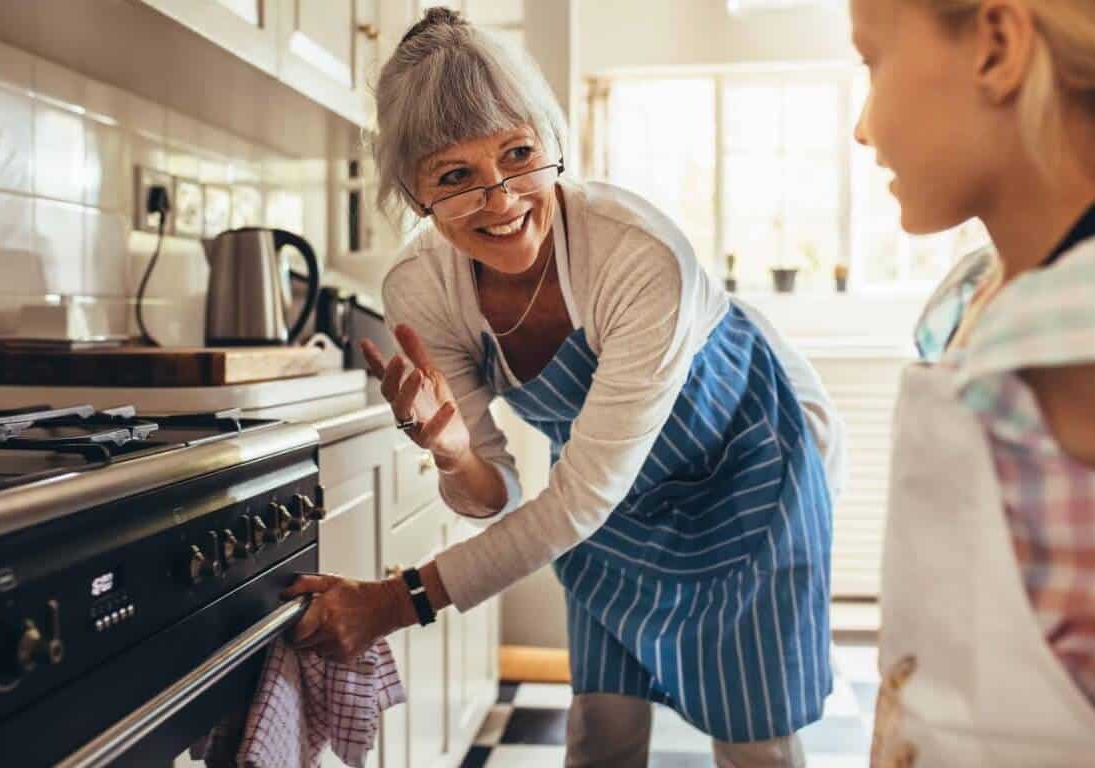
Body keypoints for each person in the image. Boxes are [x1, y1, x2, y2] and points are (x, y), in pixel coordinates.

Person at [283, 8, 846, 766]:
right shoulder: (423, 292)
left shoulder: (636, 257)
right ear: (416, 196)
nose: (504, 199)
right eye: (456, 177)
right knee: (601, 729)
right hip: (611, 505)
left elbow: (578, 497)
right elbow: (497, 498)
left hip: (749, 480)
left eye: (518, 154)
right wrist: (452, 452)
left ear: (550, 144)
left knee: (754, 740)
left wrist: (393, 601)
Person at [849, 0, 1095, 765]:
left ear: (996, 46)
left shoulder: (1072, 349)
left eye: (873, 62)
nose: (863, 126)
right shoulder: (972, 301)